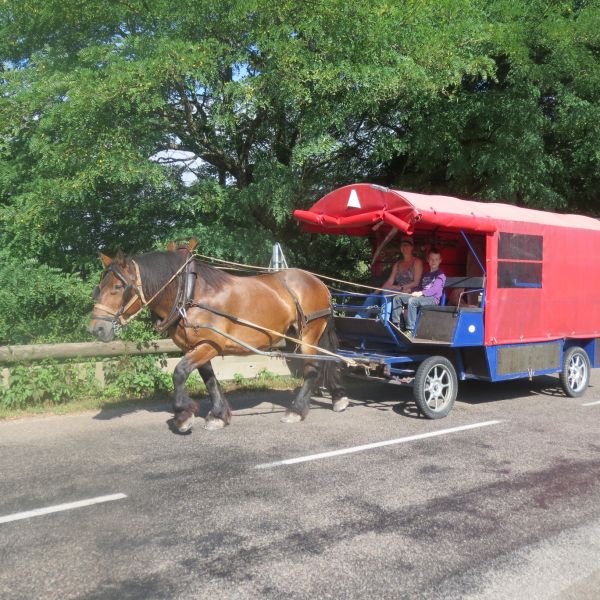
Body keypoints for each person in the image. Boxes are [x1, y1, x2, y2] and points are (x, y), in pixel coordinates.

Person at [356, 238, 424, 318]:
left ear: (412, 247)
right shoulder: (397, 264)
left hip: (410, 291)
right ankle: (359, 318)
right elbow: (390, 281)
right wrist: (379, 290)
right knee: (372, 295)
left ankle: (384, 318)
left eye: (406, 245)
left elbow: (416, 282)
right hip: (397, 290)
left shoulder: (417, 262)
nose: (404, 247)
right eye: (402, 245)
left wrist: (400, 287)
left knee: (387, 293)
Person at [391, 249, 446, 336]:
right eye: (431, 259)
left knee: (412, 301)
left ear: (440, 261)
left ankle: (411, 329)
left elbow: (434, 290)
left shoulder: (440, 274)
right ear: (428, 260)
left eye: (436, 259)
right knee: (398, 298)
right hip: (422, 297)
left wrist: (420, 293)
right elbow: (419, 287)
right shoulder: (425, 274)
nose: (433, 261)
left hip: (432, 299)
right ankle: (396, 324)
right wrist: (410, 291)